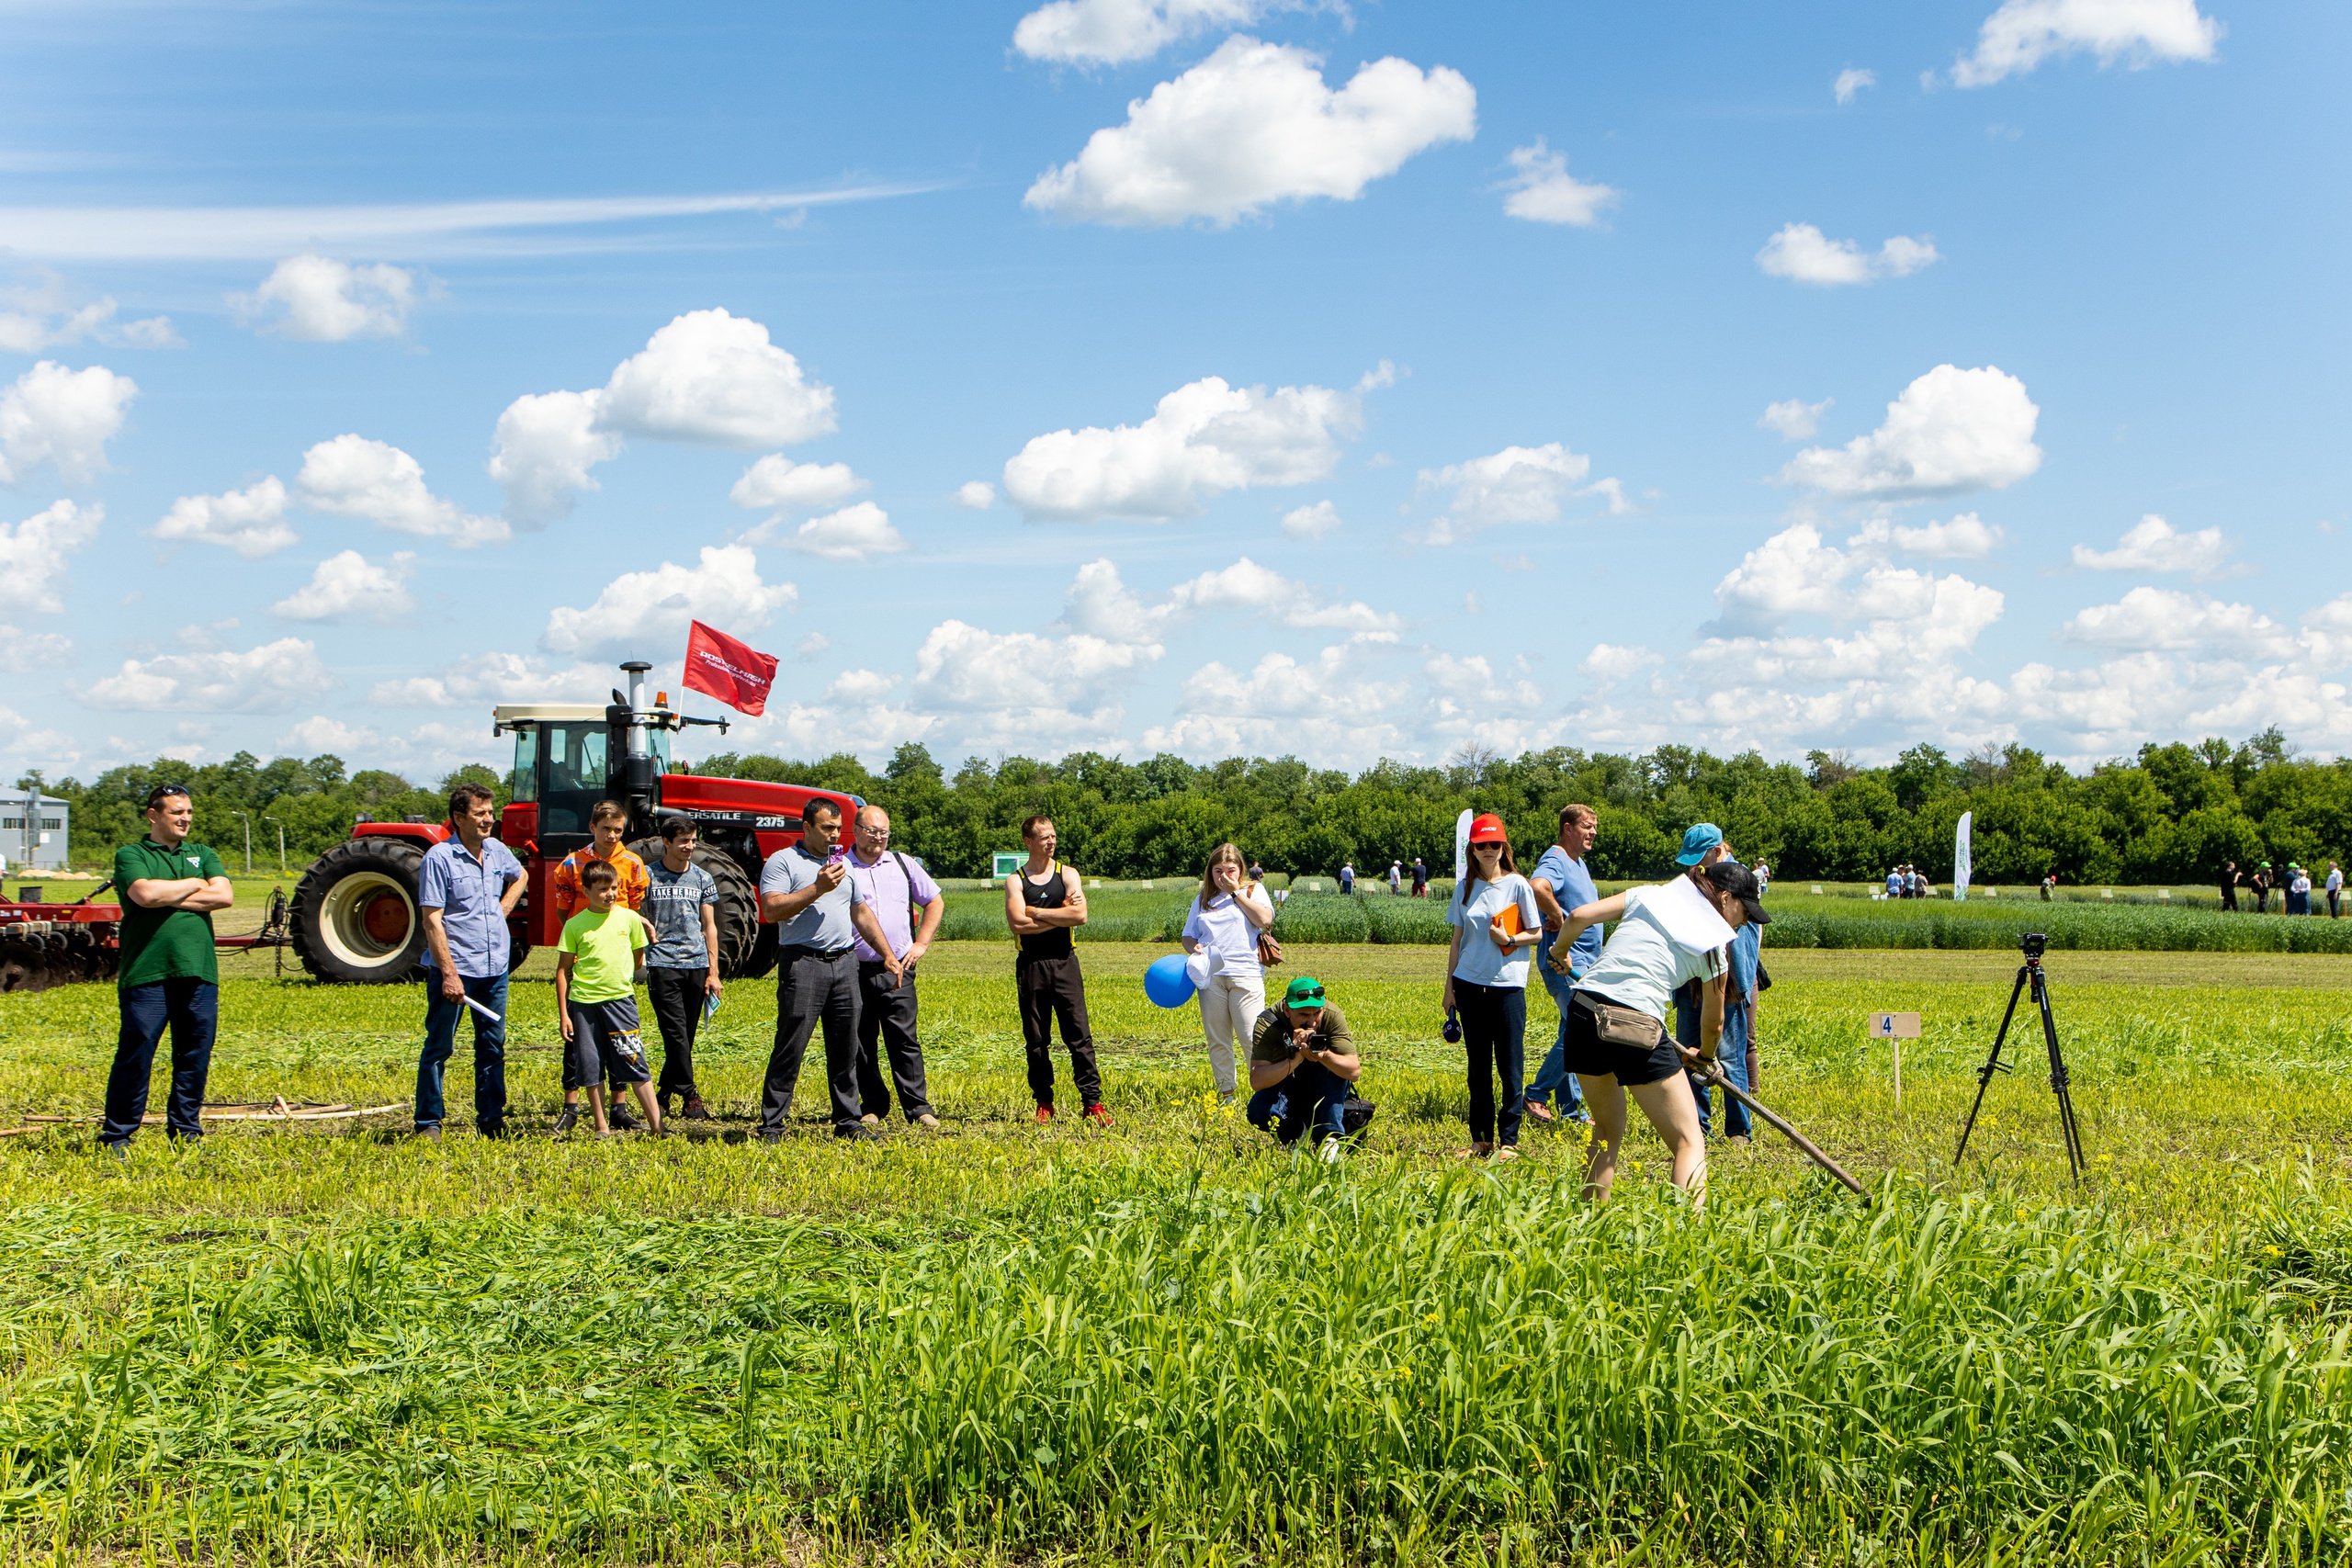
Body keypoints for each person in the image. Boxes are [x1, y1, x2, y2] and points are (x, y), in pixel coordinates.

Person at [1553, 861, 1768, 1210]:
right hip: (1635, 1024)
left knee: (1606, 1130)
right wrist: (1706, 1057)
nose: (1743, 922)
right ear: (1726, 898)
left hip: (1583, 1011)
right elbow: (1713, 1024)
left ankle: (1588, 1223)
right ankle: (1687, 1237)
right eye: (1744, 911)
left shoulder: (1650, 894)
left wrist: (1560, 951)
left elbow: (1578, 916)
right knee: (1688, 1140)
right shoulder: (1714, 947)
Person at [100, 784, 234, 1154]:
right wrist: (194, 884)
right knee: (137, 1052)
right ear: (153, 815)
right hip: (147, 973)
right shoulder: (132, 854)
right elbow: (144, 895)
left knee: (194, 1055)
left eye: (189, 812)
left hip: (198, 972)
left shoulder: (203, 852)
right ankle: (118, 1135)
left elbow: (223, 896)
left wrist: (168, 895)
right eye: (177, 812)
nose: (185, 819)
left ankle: (185, 1130)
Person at [758, 797, 902, 1142]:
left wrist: (888, 955)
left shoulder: (843, 863)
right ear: (806, 827)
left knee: (846, 1047)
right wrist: (817, 888)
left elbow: (860, 911)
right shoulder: (783, 862)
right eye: (827, 828)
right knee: (791, 1045)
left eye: (839, 829)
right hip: (803, 963)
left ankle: (848, 1121)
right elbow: (772, 909)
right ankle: (772, 1124)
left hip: (844, 963)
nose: (835, 835)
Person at [413, 782, 525, 1142]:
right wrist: (448, 974)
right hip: (457, 970)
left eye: (491, 812)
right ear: (459, 817)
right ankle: (429, 1122)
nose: (489, 819)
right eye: (480, 813)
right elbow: (432, 920)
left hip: (495, 970)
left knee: (492, 1046)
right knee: (439, 1047)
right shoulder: (439, 858)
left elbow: (520, 874)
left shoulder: (496, 851)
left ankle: (492, 1121)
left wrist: (504, 907)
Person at [1442, 813, 1544, 1159]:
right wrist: (1449, 987)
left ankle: (1510, 1142)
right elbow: (1457, 941)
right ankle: (1482, 1139)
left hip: (1508, 987)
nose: (1488, 850)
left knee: (1511, 1067)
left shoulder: (1518, 885)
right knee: (1478, 1068)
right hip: (1469, 984)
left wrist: (1510, 938)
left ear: (1504, 847)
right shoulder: (1465, 888)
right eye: (1481, 844)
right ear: (1472, 848)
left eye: (1494, 844)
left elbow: (1538, 932)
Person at [549, 800, 651, 1131]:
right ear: (592, 827)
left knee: (618, 1043)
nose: (611, 835)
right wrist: (581, 942)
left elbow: (633, 910)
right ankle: (571, 1105)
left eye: (618, 830)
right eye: (605, 829)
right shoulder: (570, 864)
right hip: (584, 959)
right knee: (580, 1043)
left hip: (615, 962)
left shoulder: (633, 864)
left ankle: (619, 1107)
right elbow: (565, 911)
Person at [1004, 815, 1109, 1125]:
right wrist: (1059, 913)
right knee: (1037, 1039)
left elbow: (1080, 916)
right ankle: (1044, 1103)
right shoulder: (1016, 880)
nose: (1051, 841)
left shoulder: (1068, 874)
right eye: (1044, 837)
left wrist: (1036, 911)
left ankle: (1092, 1103)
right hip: (1031, 966)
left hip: (1065, 962)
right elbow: (1017, 924)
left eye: (1053, 836)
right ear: (1028, 842)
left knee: (1079, 1036)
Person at [845, 805, 942, 1129]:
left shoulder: (903, 864)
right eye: (872, 832)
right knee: (861, 1040)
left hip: (897, 969)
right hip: (853, 968)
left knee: (904, 1039)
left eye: (884, 832)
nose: (878, 839)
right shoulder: (842, 866)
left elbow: (934, 901)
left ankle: (918, 1107)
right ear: (856, 830)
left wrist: (921, 944)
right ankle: (872, 1105)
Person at [554, 860, 664, 1138]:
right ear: (586, 890)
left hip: (620, 1002)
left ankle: (657, 1125)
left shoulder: (628, 918)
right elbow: (562, 970)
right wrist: (564, 1014)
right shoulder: (574, 925)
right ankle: (601, 1125)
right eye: (603, 889)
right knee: (591, 1066)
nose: (610, 894)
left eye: (614, 887)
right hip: (583, 1005)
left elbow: (638, 958)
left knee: (633, 1059)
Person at [1524, 804, 1602, 1126]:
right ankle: (1537, 1093)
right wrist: (1557, 916)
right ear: (1568, 829)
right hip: (1564, 963)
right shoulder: (1556, 858)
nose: (1593, 832)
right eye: (1586, 826)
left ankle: (1571, 1111)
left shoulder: (1578, 863)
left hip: (1582, 962)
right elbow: (1537, 886)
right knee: (1581, 1030)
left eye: (1595, 827)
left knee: (1571, 1028)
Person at [1182, 842, 1274, 1106]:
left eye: (1231, 870)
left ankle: (1265, 1094)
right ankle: (1227, 1095)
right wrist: (1194, 947)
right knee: (1218, 1038)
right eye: (1218, 870)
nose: (1224, 875)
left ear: (1240, 870)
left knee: (1251, 1036)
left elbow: (1264, 920)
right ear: (1209, 872)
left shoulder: (1254, 891)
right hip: (1211, 977)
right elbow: (1188, 935)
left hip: (1245, 974)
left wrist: (1236, 894)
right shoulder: (1202, 899)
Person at [642, 817, 721, 1122]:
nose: (689, 847)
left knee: (685, 1037)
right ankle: (690, 1094)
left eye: (693, 840)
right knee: (674, 1034)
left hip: (697, 965)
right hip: (662, 964)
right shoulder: (648, 876)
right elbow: (634, 915)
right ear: (667, 842)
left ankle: (662, 1094)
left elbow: (710, 926)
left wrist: (713, 972)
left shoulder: (703, 878)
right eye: (683, 841)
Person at [1247, 975, 1363, 1156]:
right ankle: (1295, 1133)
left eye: (1317, 1013)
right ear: (1287, 1010)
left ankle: (1329, 1139)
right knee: (1257, 1111)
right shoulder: (1269, 1022)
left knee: (1331, 1068)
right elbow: (1257, 1081)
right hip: (1287, 1080)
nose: (1312, 1022)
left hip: (1326, 1084)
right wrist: (1296, 1058)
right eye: (1304, 1015)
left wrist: (1323, 1055)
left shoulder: (1332, 1015)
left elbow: (1354, 1071)